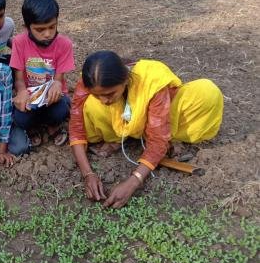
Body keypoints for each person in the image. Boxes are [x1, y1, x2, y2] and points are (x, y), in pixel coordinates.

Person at [69, 50, 223, 208]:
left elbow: (157, 140)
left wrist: (133, 182)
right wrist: (88, 174)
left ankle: (142, 134)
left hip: (160, 119)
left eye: (110, 94)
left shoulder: (151, 81)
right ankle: (122, 136)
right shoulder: (89, 82)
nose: (104, 100)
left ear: (125, 79)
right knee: (90, 106)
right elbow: (76, 127)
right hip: (125, 121)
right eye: (97, 95)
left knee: (207, 93)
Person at [10, 0, 75, 147]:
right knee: (21, 118)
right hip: (31, 96)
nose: (47, 34)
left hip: (52, 96)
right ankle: (33, 127)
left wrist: (57, 85)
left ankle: (52, 124)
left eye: (52, 27)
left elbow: (58, 80)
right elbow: (19, 80)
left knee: (61, 111)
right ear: (27, 27)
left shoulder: (64, 44)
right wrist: (22, 91)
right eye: (40, 29)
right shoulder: (19, 42)